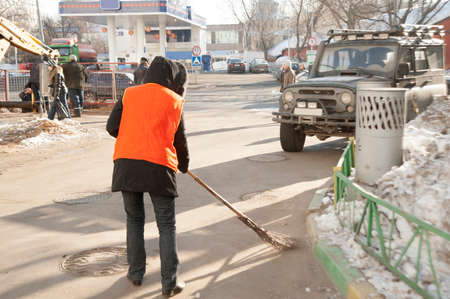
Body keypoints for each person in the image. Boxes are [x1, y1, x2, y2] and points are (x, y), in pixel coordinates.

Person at [106, 56, 189, 297]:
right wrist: (183, 164)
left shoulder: (129, 94)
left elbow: (112, 127)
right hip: (159, 167)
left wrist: (134, 137)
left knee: (134, 220)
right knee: (166, 225)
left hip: (126, 164)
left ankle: (135, 272)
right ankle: (169, 282)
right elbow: (179, 140)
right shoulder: (174, 100)